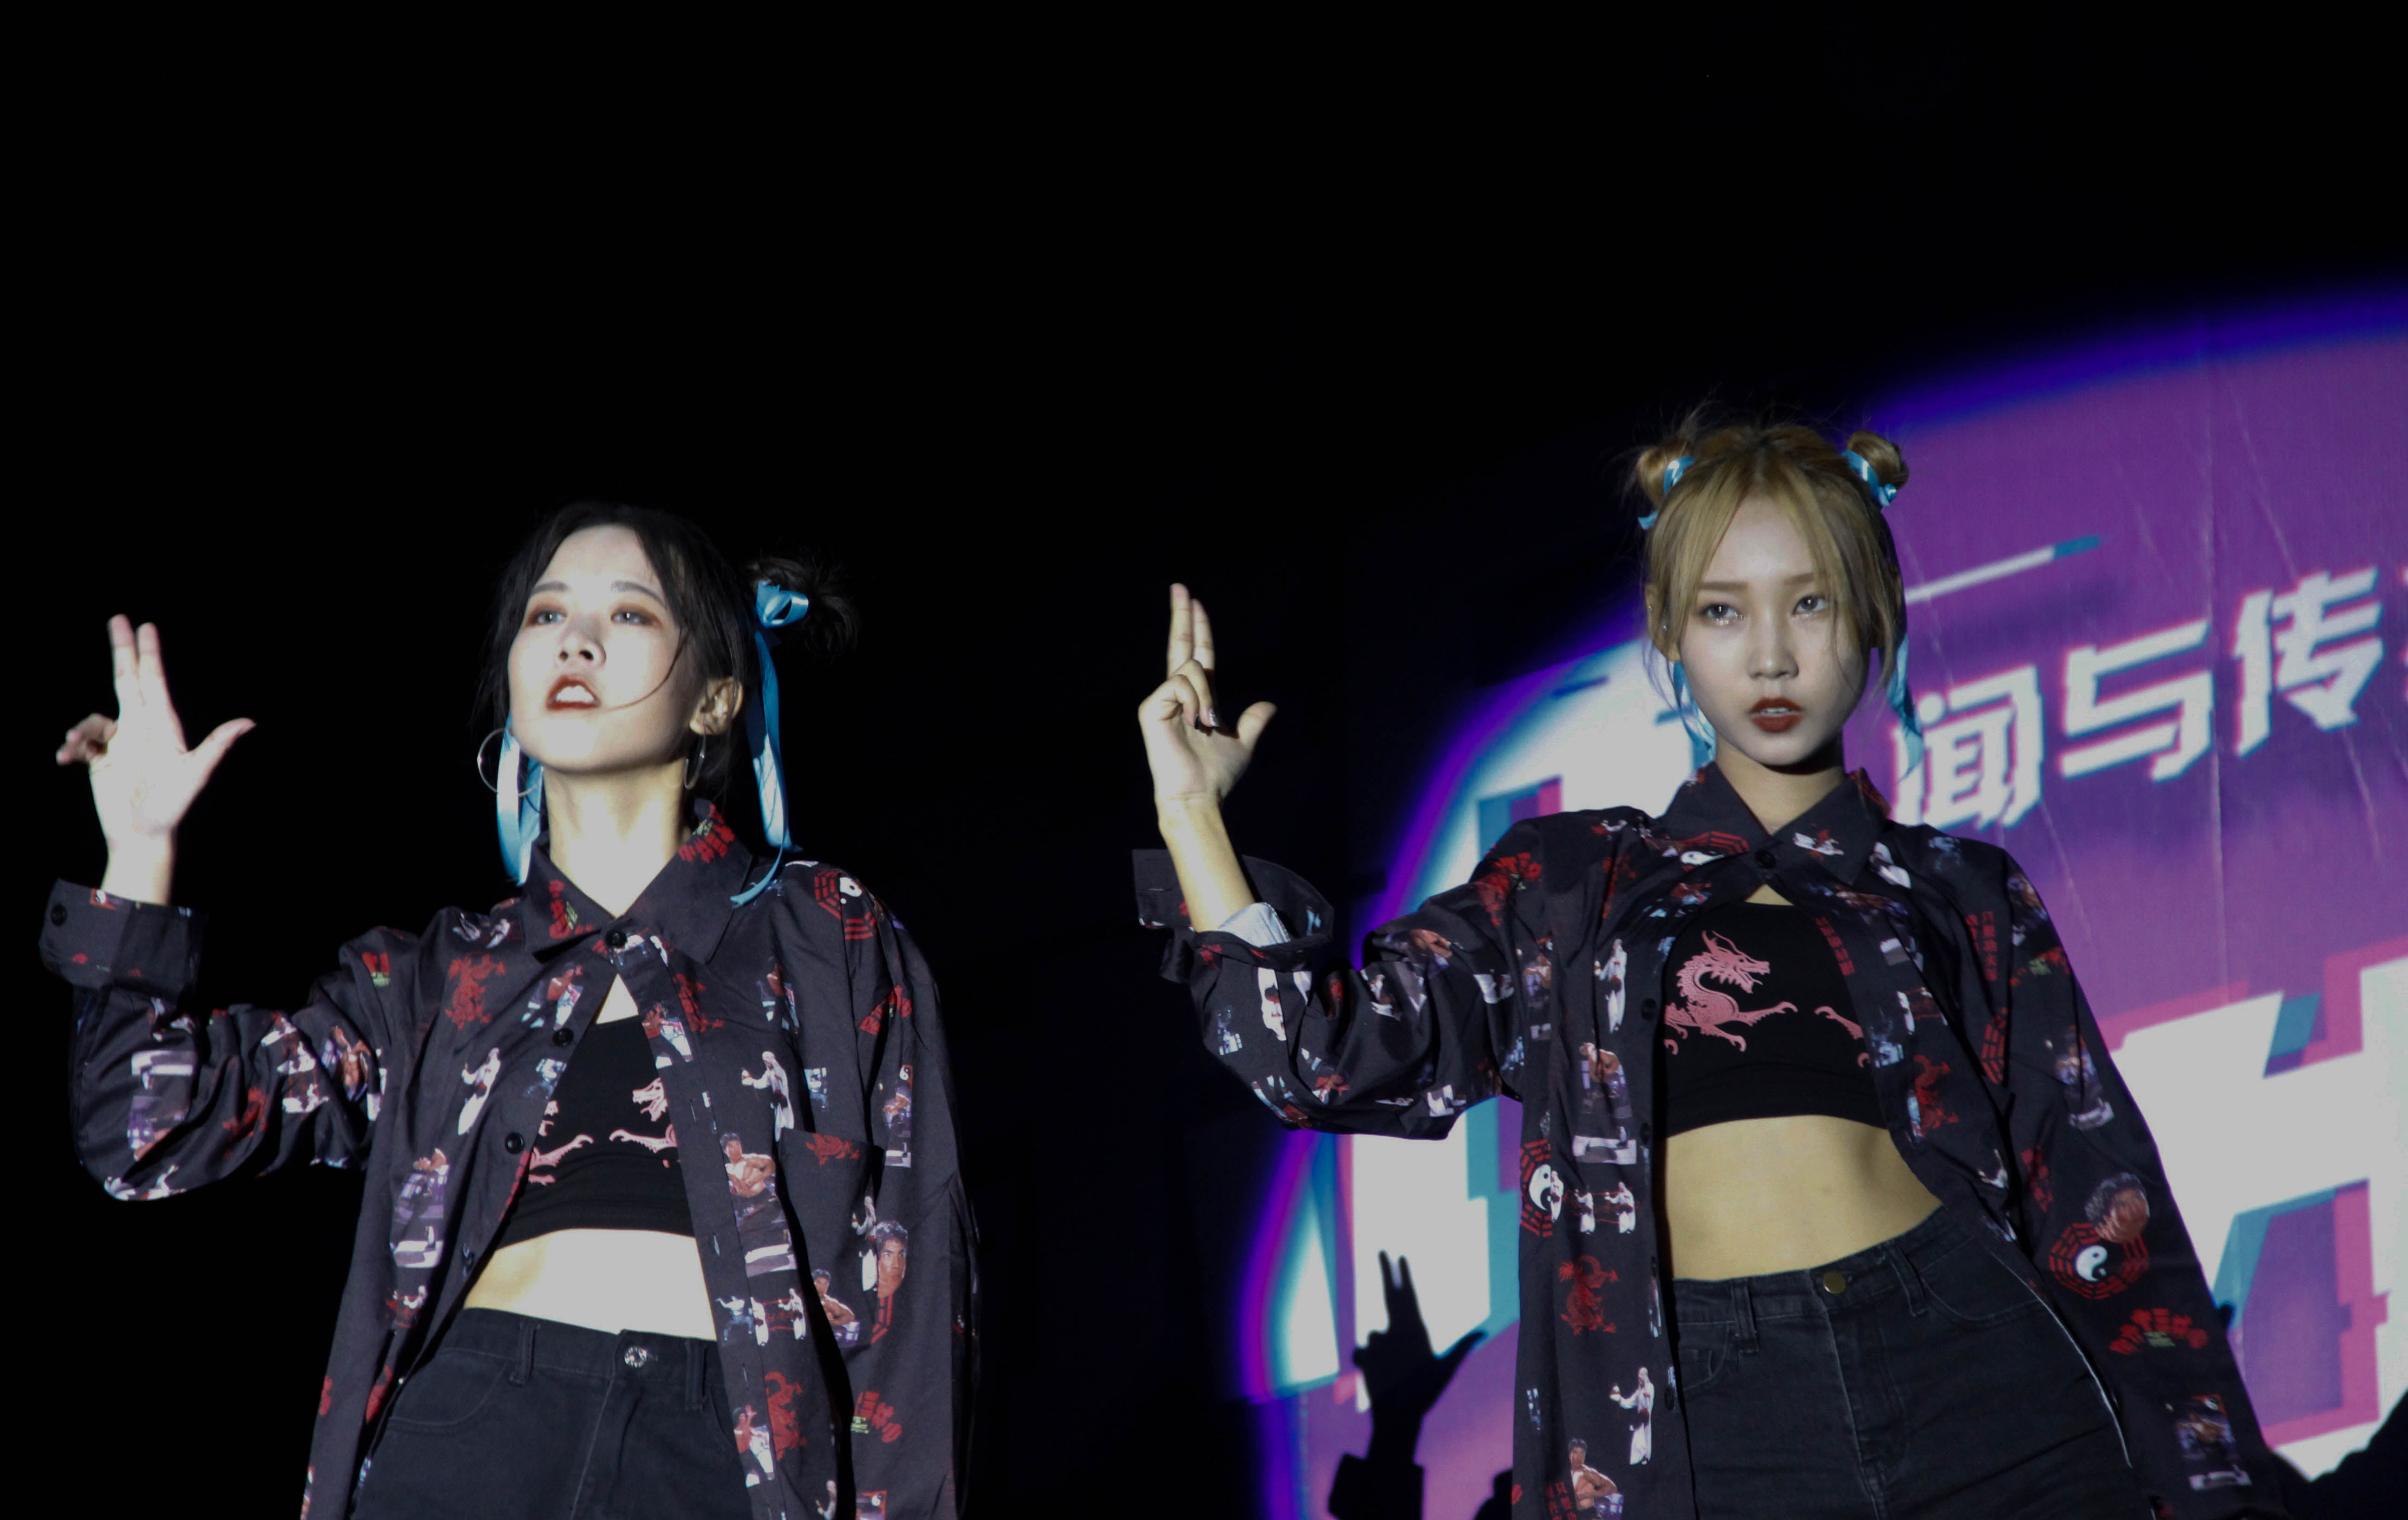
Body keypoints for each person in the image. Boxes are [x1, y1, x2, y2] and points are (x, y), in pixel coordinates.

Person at [1133, 417, 2284, 1517]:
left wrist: (2214, 1483)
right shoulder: (1568, 884)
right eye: (1723, 610)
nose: (1771, 652)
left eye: (1811, 601)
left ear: (1874, 612)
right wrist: (1191, 816)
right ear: (1670, 630)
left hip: (1982, 1373)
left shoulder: (1958, 887)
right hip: (1712, 1413)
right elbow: (1320, 1056)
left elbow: (2098, 1191)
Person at [46, 503, 970, 1518]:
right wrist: (140, 853)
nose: (575, 640)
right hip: (470, 1430)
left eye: (629, 614)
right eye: (546, 614)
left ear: (716, 698)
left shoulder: (826, 934)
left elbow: (914, 1283)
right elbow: (144, 1126)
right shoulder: (438, 978)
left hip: (720, 1458)